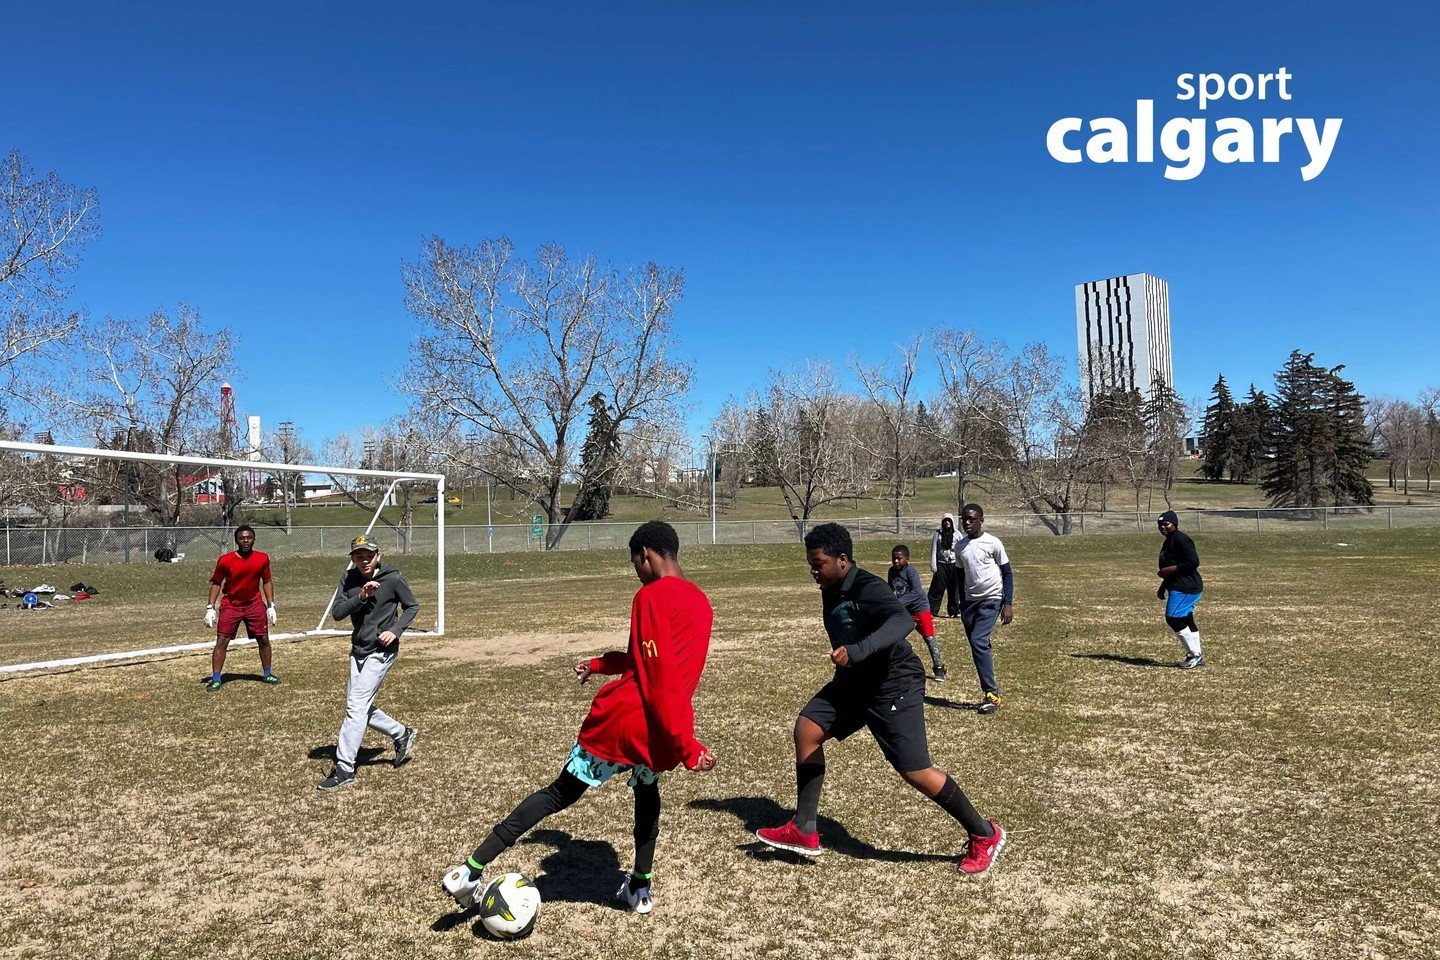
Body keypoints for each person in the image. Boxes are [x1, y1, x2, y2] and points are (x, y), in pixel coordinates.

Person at [442, 520, 716, 915]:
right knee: (646, 790)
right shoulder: (700, 602)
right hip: (658, 730)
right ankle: (640, 887)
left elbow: (659, 681)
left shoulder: (651, 597)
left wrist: (687, 746)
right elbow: (650, 663)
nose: (636, 572)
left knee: (559, 793)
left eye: (635, 564)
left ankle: (470, 870)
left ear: (646, 556)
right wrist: (600, 664)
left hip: (628, 723)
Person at [755, 522, 1006, 876]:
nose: (813, 571)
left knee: (916, 771)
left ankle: (985, 833)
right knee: (807, 729)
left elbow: (902, 621)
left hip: (893, 684)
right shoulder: (832, 586)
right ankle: (805, 829)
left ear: (842, 560)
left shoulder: (867, 586)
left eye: (818, 563)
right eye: (810, 564)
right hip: (855, 682)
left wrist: (858, 650)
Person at [317, 535, 421, 791]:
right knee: (359, 706)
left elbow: (412, 606)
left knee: (355, 708)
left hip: (381, 650)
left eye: (369, 556)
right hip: (358, 649)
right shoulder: (348, 579)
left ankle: (344, 769)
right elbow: (338, 613)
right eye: (358, 556)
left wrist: (395, 631)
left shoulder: (393, 578)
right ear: (352, 558)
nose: (364, 560)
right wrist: (361, 597)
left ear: (378, 556)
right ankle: (401, 733)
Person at [955, 504, 1014, 715]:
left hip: (992, 598)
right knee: (977, 644)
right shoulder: (960, 546)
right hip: (970, 603)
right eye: (964, 519)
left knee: (979, 641)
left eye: (971, 519)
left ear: (981, 520)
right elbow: (960, 576)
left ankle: (992, 694)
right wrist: (960, 603)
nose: (967, 523)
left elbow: (1007, 573)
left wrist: (1007, 603)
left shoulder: (993, 543)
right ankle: (989, 688)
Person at [204, 525, 277, 691]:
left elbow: (267, 581)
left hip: (254, 604)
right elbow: (216, 583)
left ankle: (267, 674)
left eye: (249, 538)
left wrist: (271, 605)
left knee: (264, 639)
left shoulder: (262, 558)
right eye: (242, 538)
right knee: (222, 641)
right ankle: (216, 678)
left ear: (254, 539)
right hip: (231, 605)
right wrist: (210, 607)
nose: (246, 541)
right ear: (236, 540)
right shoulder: (225, 560)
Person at [888, 544, 946, 681]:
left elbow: (916, 592)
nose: (896, 561)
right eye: (894, 558)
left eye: (899, 559)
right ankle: (895, 665)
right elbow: (890, 589)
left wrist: (898, 602)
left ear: (907, 558)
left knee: (929, 638)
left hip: (920, 609)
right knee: (894, 636)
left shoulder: (911, 571)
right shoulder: (892, 571)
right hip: (905, 611)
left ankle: (939, 667)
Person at [1156, 510, 1205, 669]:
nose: (1163, 527)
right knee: (1186, 619)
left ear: (1174, 524)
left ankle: (1194, 655)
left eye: (1166, 524)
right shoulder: (1169, 540)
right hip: (1178, 585)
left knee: (1173, 618)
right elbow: (1167, 566)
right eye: (1160, 525)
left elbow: (1193, 562)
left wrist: (1169, 570)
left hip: (1187, 586)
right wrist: (1163, 586)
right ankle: (1196, 654)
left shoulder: (1181, 539)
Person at [927, 513, 962, 618]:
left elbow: (962, 550)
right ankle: (931, 611)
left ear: (952, 522)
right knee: (937, 589)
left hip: (954, 564)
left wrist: (962, 564)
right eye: (945, 521)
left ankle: (955, 611)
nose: (947, 522)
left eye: (949, 520)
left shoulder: (957, 534)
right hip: (941, 564)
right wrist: (934, 565)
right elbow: (934, 550)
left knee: (954, 589)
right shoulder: (938, 534)